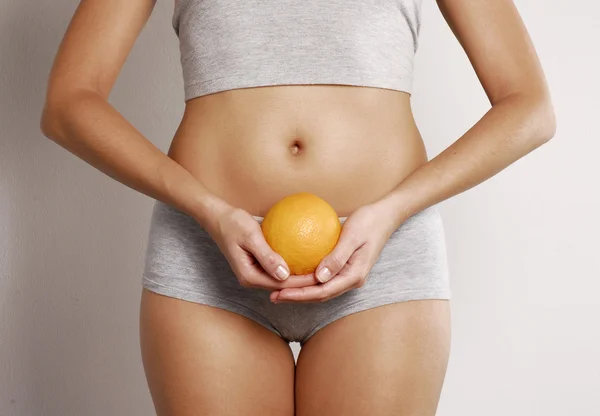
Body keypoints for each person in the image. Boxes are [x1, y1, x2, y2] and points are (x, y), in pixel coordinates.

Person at [40, 0, 555, 414]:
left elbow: (529, 105)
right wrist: (209, 210)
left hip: (385, 252)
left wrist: (394, 209)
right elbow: (69, 103)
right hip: (206, 252)